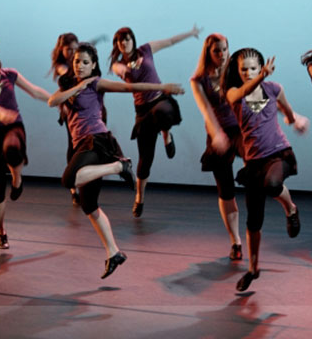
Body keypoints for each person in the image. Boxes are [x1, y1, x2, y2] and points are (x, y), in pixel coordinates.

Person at [48, 42, 184, 279]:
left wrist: (162, 87)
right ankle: (113, 252)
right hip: (83, 145)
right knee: (89, 205)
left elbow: (129, 87)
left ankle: (119, 166)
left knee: (68, 179)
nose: (80, 66)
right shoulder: (71, 85)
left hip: (97, 141)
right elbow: (53, 101)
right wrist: (79, 86)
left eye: (85, 62)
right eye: (77, 61)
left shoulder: (97, 84)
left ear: (94, 65)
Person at [222, 47, 309, 291]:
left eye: (254, 68)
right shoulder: (233, 94)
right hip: (254, 162)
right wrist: (261, 77)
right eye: (244, 69)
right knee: (253, 222)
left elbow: (286, 111)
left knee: (272, 184)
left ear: (261, 68)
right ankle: (253, 269)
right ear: (238, 71)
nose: (249, 73)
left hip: (279, 153)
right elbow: (242, 91)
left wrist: (294, 120)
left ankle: (290, 208)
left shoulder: (274, 89)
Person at [109, 25, 201, 218]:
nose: (124, 43)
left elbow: (170, 41)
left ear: (133, 40)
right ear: (117, 45)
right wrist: (128, 68)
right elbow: (127, 76)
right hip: (142, 111)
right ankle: (139, 198)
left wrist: (190, 33)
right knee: (145, 160)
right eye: (120, 40)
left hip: (160, 99)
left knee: (163, 111)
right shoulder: (117, 65)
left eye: (127, 39)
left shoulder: (146, 49)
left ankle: (166, 135)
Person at [0, 40, 51, 250]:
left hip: (14, 126)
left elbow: (34, 91)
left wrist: (56, 101)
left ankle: (17, 179)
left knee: (12, 149)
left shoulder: (9, 75)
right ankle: (1, 231)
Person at [190, 33, 243, 260]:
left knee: (265, 171)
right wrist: (217, 135)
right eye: (216, 51)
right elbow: (206, 111)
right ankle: (236, 242)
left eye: (224, 49)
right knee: (226, 190)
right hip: (217, 133)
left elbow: (256, 95)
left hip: (241, 129)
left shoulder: (236, 72)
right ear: (208, 53)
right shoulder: (198, 80)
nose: (221, 54)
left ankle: (290, 208)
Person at [50, 33, 108, 207]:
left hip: (91, 110)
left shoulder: (82, 64)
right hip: (72, 110)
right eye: (68, 50)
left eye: (74, 49)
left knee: (96, 144)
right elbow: (66, 79)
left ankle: (92, 181)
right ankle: (74, 188)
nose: (72, 53)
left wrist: (95, 42)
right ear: (62, 50)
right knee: (74, 147)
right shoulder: (62, 67)